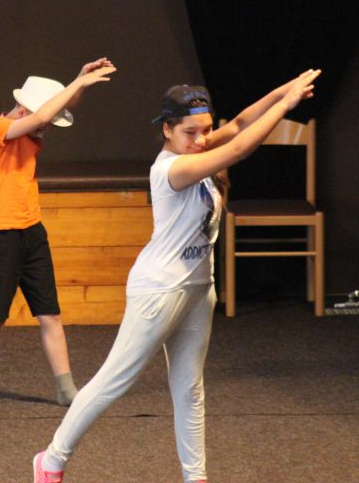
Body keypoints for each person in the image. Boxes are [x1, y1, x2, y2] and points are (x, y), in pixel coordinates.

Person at [32, 68, 321, 483]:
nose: (200, 139)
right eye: (189, 132)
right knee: (115, 381)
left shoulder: (197, 148)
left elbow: (240, 123)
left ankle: (195, 477)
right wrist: (286, 105)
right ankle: (51, 460)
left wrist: (284, 89)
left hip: (198, 288)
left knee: (189, 388)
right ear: (167, 130)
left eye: (206, 130)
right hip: (159, 289)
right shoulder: (171, 169)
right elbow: (241, 146)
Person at [0, 58, 116, 414]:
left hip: (32, 231)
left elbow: (51, 111)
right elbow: (43, 116)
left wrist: (79, 78)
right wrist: (79, 85)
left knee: (50, 315)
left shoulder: (31, 129)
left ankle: (66, 389)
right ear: (25, 109)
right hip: (1, 236)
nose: (48, 129)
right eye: (45, 121)